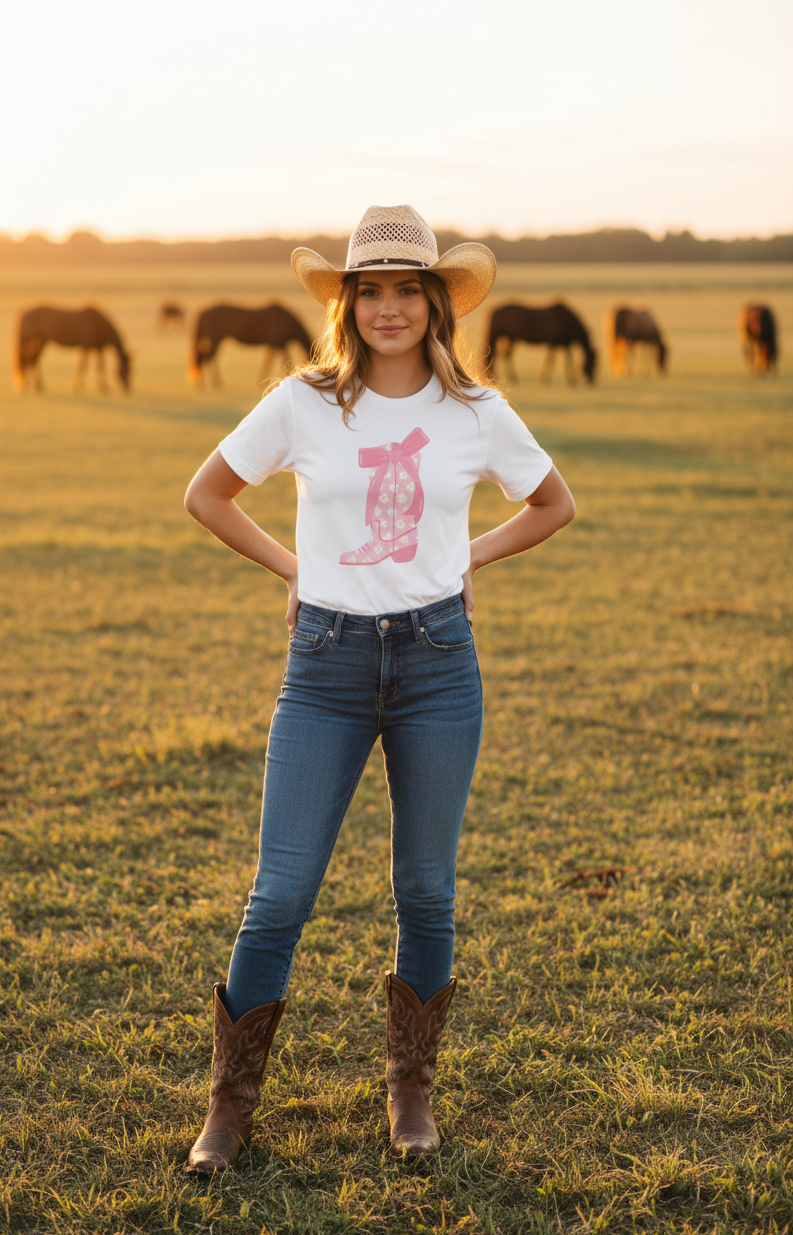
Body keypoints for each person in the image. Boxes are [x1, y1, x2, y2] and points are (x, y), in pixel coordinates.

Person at [183, 204, 575, 1172]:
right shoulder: (303, 401)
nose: (389, 308)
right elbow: (207, 495)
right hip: (327, 665)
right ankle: (229, 1110)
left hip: (440, 666)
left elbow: (554, 503)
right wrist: (297, 573)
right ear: (347, 302)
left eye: (408, 290)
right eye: (371, 291)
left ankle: (411, 1093)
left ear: (436, 302)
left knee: (426, 892)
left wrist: (460, 553)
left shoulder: (477, 413)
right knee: (279, 895)